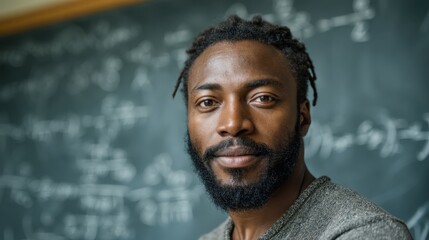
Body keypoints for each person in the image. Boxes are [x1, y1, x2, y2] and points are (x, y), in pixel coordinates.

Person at [173, 15, 412, 240]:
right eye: (207, 102)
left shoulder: (368, 234)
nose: (233, 124)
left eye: (263, 98)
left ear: (303, 118)